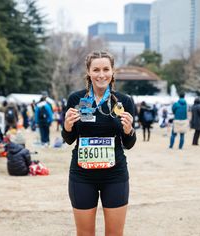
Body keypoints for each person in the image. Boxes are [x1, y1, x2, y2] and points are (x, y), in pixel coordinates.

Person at [61, 51, 136, 236]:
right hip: (82, 175)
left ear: (112, 71)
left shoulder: (124, 101)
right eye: (96, 69)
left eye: (105, 69)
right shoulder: (76, 99)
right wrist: (67, 126)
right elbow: (69, 140)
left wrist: (129, 131)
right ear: (88, 72)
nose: (101, 74)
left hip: (115, 175)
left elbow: (129, 143)